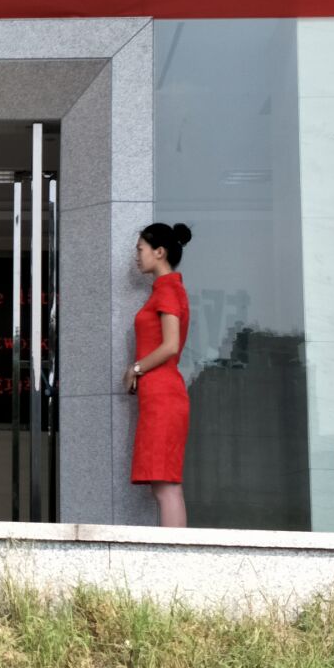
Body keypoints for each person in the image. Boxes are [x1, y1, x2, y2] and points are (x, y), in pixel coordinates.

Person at [126, 221, 193, 527]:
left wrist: (136, 368)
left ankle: (175, 552)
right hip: (160, 397)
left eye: (140, 249)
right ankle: (174, 550)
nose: (136, 256)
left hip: (163, 398)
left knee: (166, 487)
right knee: (163, 485)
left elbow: (170, 345)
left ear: (159, 252)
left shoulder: (167, 288)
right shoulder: (167, 288)